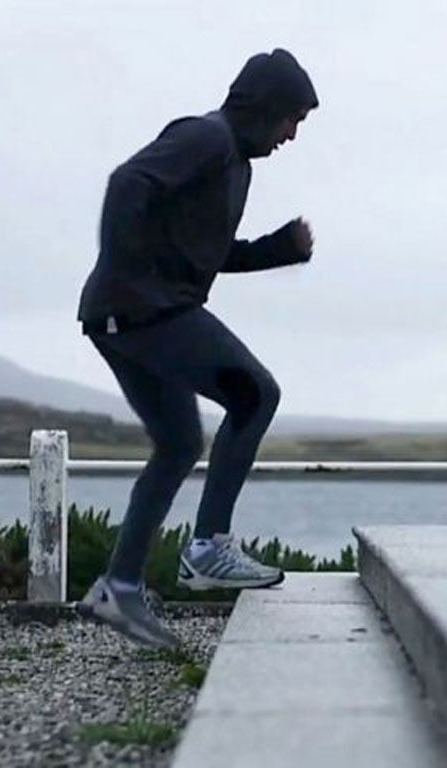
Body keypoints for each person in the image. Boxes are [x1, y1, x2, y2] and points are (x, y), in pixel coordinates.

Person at [75, 49, 319, 647]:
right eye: (291, 119)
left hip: (125, 313)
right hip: (141, 310)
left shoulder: (238, 166)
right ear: (264, 107)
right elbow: (127, 182)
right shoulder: (206, 137)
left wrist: (277, 249)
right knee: (256, 394)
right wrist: (135, 280)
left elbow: (208, 252)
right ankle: (209, 546)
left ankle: (120, 587)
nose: (291, 135)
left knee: (181, 443)